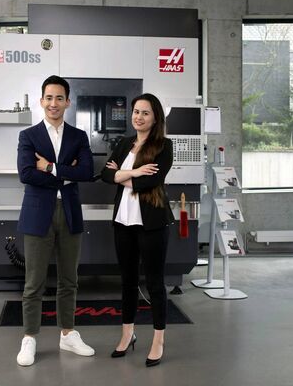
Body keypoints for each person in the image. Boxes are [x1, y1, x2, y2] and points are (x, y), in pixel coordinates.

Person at [15, 75, 95, 366]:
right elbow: (26, 174)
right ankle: (29, 338)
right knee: (34, 282)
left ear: (67, 102)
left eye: (59, 98)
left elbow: (87, 172)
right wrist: (65, 174)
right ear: (41, 101)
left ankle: (68, 334)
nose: (53, 103)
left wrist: (49, 167)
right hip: (39, 214)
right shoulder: (28, 136)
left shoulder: (78, 136)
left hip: (70, 212)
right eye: (49, 98)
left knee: (69, 280)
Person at [101, 93, 174, 367]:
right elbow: (105, 175)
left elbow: (150, 182)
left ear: (155, 118)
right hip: (123, 222)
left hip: (151, 223)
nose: (138, 117)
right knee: (128, 281)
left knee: (155, 283)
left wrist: (120, 175)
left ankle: (158, 339)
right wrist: (133, 172)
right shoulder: (124, 143)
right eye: (136, 111)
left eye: (145, 113)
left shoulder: (164, 146)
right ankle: (127, 334)